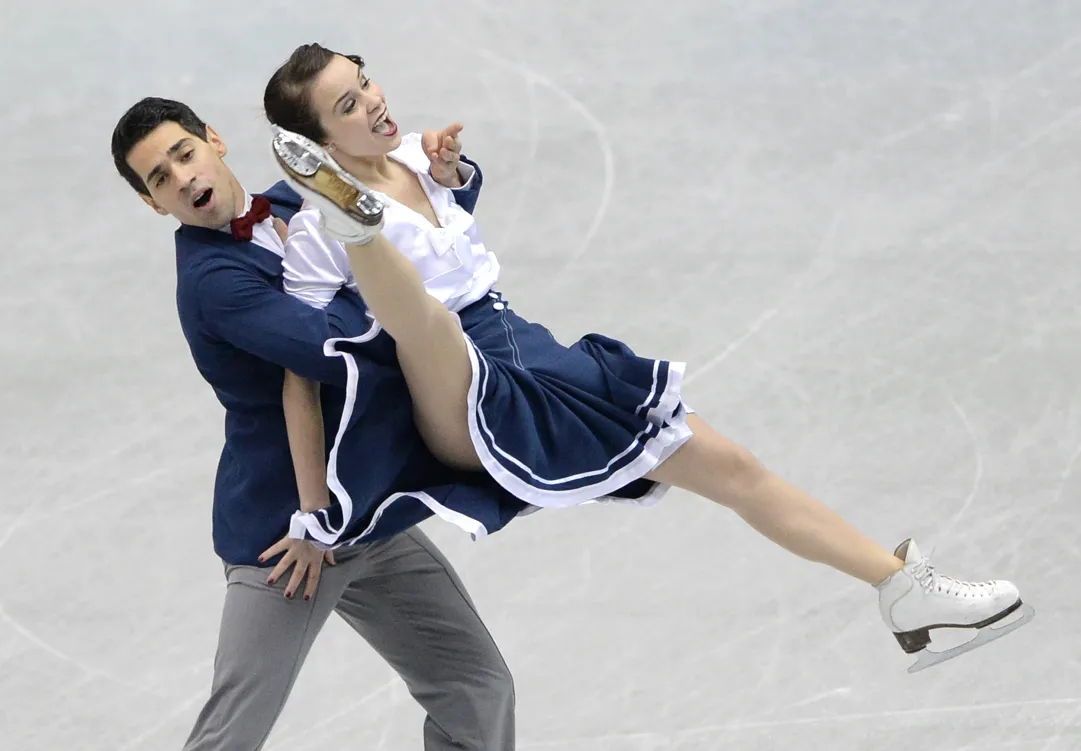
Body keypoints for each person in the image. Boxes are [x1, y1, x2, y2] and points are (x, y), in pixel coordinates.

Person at [261, 43, 1034, 674]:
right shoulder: (311, 236)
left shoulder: (418, 158)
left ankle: (901, 588)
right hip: (446, 392)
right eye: (348, 106)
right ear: (320, 145)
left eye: (364, 84)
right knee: (425, 323)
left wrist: (452, 173)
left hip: (533, 358)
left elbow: (453, 222)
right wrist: (312, 511)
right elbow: (299, 371)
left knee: (731, 464)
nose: (373, 104)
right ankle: (361, 231)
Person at [111, 96, 526, 750]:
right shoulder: (212, 282)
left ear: (213, 141)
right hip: (287, 539)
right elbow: (331, 352)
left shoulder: (291, 202)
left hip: (365, 510)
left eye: (184, 154)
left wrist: (448, 182)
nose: (184, 179)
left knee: (475, 685)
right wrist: (401, 299)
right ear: (152, 202)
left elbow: (412, 232)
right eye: (160, 178)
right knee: (230, 735)